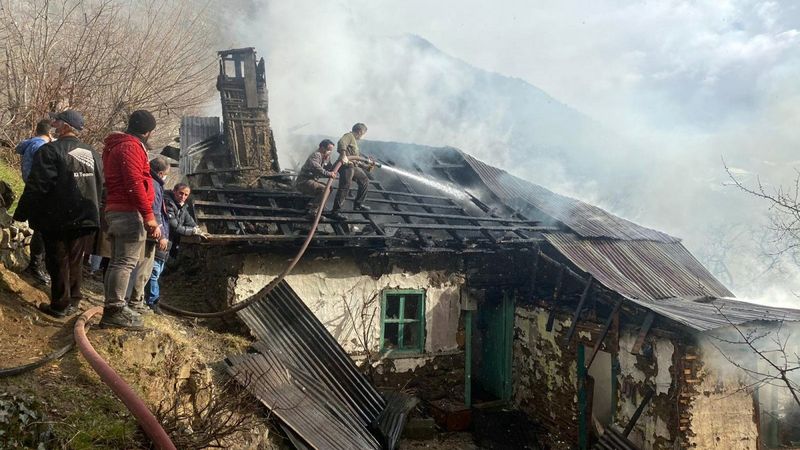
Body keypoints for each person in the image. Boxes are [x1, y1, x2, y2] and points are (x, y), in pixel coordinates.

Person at [13, 110, 103, 318]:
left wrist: (21, 213)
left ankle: (60, 305)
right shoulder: (93, 153)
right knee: (75, 259)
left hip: (57, 215)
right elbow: (100, 185)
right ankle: (74, 299)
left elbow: (38, 185)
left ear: (66, 126)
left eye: (57, 122)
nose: (53, 125)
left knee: (58, 259)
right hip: (86, 215)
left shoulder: (50, 151)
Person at [101, 110, 160, 329]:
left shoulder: (116, 145)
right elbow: (134, 184)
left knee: (118, 261)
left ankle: (112, 306)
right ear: (148, 132)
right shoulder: (131, 147)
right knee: (125, 262)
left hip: (116, 208)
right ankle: (115, 309)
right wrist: (149, 215)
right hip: (128, 211)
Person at [143, 183, 201, 313]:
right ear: (174, 191)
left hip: (169, 245)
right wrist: (191, 231)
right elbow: (175, 226)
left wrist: (197, 229)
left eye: (186, 195)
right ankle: (152, 301)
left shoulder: (182, 207)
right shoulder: (168, 204)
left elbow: (190, 222)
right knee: (154, 272)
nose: (183, 197)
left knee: (157, 271)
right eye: (181, 193)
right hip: (161, 241)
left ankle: (148, 299)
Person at [129, 157, 169, 313]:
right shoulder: (155, 184)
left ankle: (133, 299)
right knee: (143, 269)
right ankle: (135, 301)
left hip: (140, 228)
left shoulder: (144, 179)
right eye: (166, 174)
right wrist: (161, 234)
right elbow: (155, 210)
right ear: (161, 173)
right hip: (149, 231)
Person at [15, 119, 52, 284]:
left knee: (40, 229)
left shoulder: (30, 144)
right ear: (49, 133)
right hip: (41, 190)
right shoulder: (41, 147)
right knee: (42, 230)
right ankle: (36, 267)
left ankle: (37, 266)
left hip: (30, 187)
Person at [330, 123, 370, 220]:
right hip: (345, 166)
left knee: (364, 180)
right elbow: (341, 142)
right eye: (363, 134)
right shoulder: (349, 136)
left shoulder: (354, 142)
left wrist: (365, 166)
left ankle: (358, 204)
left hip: (352, 165)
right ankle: (335, 212)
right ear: (360, 132)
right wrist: (343, 155)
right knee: (345, 186)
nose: (362, 136)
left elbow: (354, 158)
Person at [295, 139, 338, 217]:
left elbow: (330, 168)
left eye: (331, 150)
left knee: (330, 188)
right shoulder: (316, 155)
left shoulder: (325, 157)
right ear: (322, 148)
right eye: (328, 149)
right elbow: (317, 168)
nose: (330, 152)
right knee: (324, 189)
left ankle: (320, 209)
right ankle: (313, 211)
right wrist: (329, 174)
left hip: (312, 181)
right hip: (304, 181)